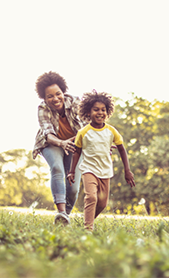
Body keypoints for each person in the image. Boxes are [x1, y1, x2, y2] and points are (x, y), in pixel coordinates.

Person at [67, 90, 135, 231]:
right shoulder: (83, 132)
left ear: (107, 112)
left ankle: (88, 219)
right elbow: (77, 151)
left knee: (102, 203)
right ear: (88, 112)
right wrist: (72, 171)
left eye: (103, 110)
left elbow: (122, 149)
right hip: (89, 169)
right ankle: (88, 229)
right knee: (91, 198)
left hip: (105, 171)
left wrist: (127, 170)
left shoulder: (111, 131)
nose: (100, 113)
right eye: (96, 110)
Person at [33, 71, 86, 225]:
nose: (55, 99)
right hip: (51, 144)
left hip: (75, 144)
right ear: (44, 98)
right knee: (57, 168)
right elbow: (48, 134)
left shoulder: (76, 103)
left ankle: (64, 218)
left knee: (73, 187)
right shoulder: (42, 108)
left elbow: (86, 128)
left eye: (58, 94)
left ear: (63, 92)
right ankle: (61, 211)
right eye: (50, 96)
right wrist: (62, 143)